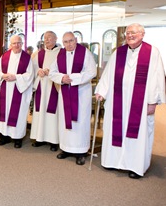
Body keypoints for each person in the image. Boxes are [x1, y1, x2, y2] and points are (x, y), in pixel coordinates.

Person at [95, 23, 165, 178]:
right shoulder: (118, 53)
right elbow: (108, 74)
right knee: (115, 127)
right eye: (128, 33)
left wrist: (153, 101)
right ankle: (112, 161)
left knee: (139, 133)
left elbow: (158, 77)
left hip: (140, 103)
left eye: (134, 33)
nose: (130, 35)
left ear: (142, 34)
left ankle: (135, 166)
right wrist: (101, 90)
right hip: (117, 100)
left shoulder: (152, 52)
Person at [48, 32, 96, 165]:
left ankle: (81, 152)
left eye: (71, 41)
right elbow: (52, 72)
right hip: (64, 92)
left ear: (76, 40)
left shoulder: (85, 53)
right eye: (65, 42)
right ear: (62, 43)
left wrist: (72, 78)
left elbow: (92, 72)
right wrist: (62, 78)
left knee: (80, 122)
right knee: (64, 121)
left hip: (80, 93)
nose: (68, 44)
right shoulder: (61, 54)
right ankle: (66, 148)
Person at [0, 35, 34, 148]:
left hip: (19, 89)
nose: (16, 45)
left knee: (19, 114)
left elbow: (29, 75)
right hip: (5, 90)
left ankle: (17, 138)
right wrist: (3, 75)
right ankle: (4, 136)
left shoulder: (27, 58)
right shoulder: (5, 56)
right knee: (4, 113)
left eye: (19, 43)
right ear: (10, 45)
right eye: (14, 43)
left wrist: (16, 77)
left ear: (22, 44)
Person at [30, 31, 60, 152]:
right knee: (40, 111)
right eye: (45, 38)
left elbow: (64, 67)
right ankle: (39, 138)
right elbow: (33, 66)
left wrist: (51, 72)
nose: (47, 40)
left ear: (55, 38)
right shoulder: (39, 53)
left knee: (53, 113)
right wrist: (39, 71)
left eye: (50, 37)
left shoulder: (61, 53)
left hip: (54, 85)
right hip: (42, 84)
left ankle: (53, 141)